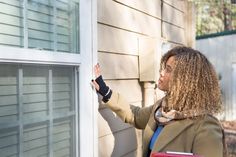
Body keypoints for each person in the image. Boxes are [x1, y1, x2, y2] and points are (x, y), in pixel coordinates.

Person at [92, 46, 226, 157]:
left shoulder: (205, 126)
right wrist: (105, 90)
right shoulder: (162, 107)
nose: (161, 73)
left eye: (168, 69)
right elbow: (136, 115)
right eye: (164, 68)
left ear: (186, 79)